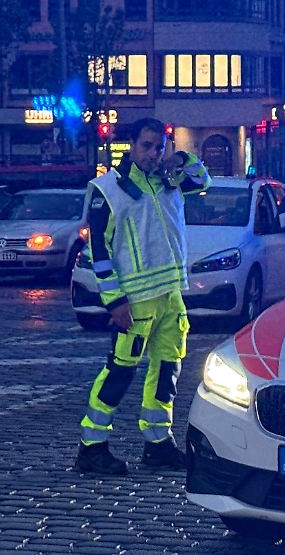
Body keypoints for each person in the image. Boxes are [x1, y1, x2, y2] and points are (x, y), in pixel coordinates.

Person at [74, 117, 212, 476]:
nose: (153, 153)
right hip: (134, 300)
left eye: (158, 146)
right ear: (131, 146)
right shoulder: (109, 190)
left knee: (167, 370)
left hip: (169, 295)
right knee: (119, 372)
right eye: (147, 146)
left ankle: (158, 444)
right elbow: (98, 252)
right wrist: (115, 301)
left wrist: (180, 159)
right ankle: (92, 447)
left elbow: (203, 179)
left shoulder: (170, 181)